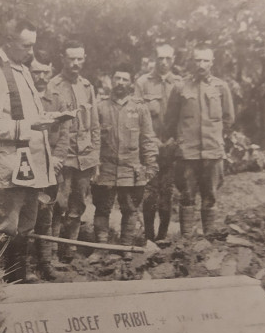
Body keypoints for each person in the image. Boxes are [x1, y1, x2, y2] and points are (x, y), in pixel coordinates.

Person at [0, 18, 64, 282]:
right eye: (26, 45)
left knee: (25, 226)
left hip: (30, 166)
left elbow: (31, 114)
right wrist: (29, 125)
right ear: (9, 41)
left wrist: (52, 117)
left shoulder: (22, 69)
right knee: (5, 227)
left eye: (33, 45)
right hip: (8, 167)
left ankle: (18, 279)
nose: (31, 52)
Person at [164, 45, 235, 237]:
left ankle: (209, 240)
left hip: (212, 152)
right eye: (197, 60)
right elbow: (170, 120)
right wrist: (181, 141)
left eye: (205, 60)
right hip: (188, 153)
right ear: (191, 62)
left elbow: (228, 119)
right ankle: (187, 240)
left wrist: (217, 140)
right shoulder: (180, 87)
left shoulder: (221, 87)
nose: (201, 64)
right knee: (186, 196)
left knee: (210, 196)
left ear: (212, 63)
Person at [92, 64, 158, 247]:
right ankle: (101, 247)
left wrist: (151, 165)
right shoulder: (100, 107)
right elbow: (93, 138)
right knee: (102, 209)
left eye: (125, 79)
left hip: (131, 169)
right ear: (111, 80)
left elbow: (147, 139)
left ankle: (126, 248)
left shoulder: (140, 108)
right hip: (105, 169)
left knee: (130, 209)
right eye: (117, 78)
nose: (120, 83)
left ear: (131, 83)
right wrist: (93, 165)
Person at [46, 40, 100, 262]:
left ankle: (69, 255)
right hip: (63, 157)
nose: (76, 63)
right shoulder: (52, 87)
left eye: (80, 58)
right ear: (63, 58)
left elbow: (94, 125)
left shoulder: (87, 87)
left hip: (84, 157)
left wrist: (95, 157)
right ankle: (51, 256)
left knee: (78, 206)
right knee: (58, 206)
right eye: (71, 58)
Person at [135, 44, 182, 241]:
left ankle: (162, 236)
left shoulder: (180, 83)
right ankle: (148, 235)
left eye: (168, 58)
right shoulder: (143, 82)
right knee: (150, 193)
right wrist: (151, 141)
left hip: (171, 147)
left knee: (167, 193)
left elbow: (184, 116)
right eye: (160, 58)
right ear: (154, 58)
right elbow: (136, 114)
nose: (164, 62)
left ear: (174, 59)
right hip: (149, 147)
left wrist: (174, 139)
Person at [30, 55, 68, 279]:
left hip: (51, 166)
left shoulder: (57, 99)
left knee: (47, 214)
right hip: (27, 167)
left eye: (45, 72)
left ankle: (45, 262)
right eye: (37, 72)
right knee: (26, 216)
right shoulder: (21, 97)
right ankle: (24, 265)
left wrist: (56, 160)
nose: (41, 77)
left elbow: (64, 134)